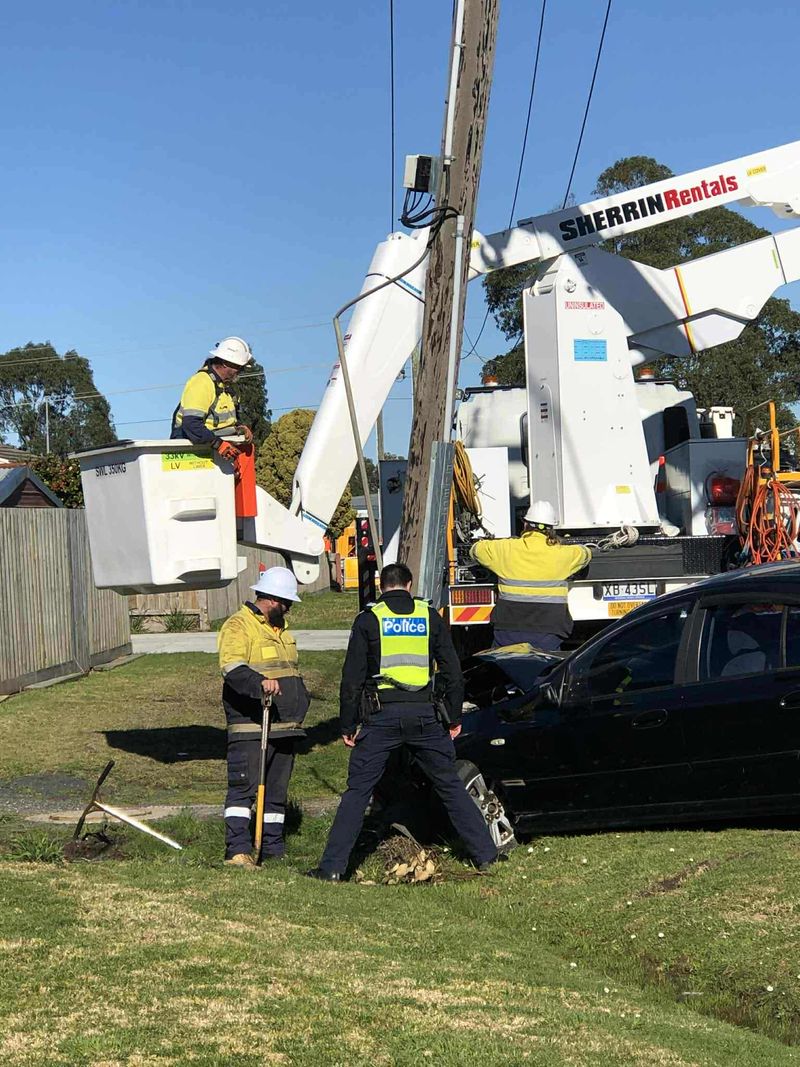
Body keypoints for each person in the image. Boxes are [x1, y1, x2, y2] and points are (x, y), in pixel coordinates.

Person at [307, 562, 499, 882]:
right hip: (425, 716)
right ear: (409, 585)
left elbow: (351, 678)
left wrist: (347, 724)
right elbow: (452, 670)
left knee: (357, 792)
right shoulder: (428, 616)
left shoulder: (369, 619)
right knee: (450, 785)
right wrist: (453, 716)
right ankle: (486, 855)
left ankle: (332, 868)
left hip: (381, 717)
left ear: (382, 586)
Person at [217, 566, 309, 867]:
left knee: (276, 795)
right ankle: (238, 850)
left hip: (284, 726)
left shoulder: (281, 631)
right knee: (244, 790)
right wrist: (260, 684)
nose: (289, 608)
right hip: (253, 726)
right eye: (286, 602)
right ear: (270, 599)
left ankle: (272, 849)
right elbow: (232, 669)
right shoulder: (239, 626)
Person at [470, 500, 592, 651]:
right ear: (551, 529)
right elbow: (585, 554)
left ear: (525, 525)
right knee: (547, 671)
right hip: (549, 631)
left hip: (508, 629)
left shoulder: (505, 549)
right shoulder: (564, 554)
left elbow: (476, 550)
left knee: (503, 671)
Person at [171, 336, 255, 462]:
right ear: (226, 363)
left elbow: (221, 421)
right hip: (191, 451)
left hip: (212, 449)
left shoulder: (227, 388)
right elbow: (192, 424)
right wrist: (218, 444)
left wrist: (238, 427)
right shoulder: (202, 382)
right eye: (239, 367)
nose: (240, 371)